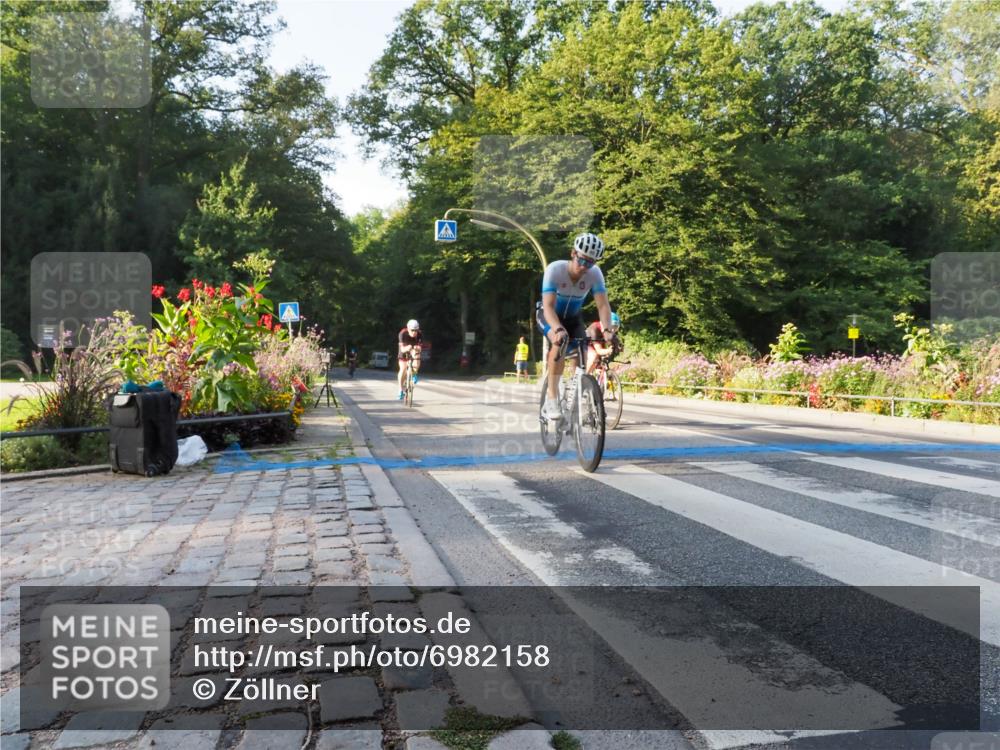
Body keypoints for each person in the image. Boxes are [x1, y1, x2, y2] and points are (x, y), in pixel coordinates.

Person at [537, 233, 616, 420]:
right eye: (582, 260)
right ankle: (552, 399)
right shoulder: (555, 270)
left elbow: (603, 306)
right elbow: (548, 306)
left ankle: (576, 400)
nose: (584, 267)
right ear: (573, 253)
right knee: (560, 343)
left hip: (573, 318)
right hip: (549, 315)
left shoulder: (595, 274)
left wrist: (607, 331)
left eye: (590, 263)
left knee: (580, 355)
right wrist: (556, 329)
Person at [397, 319, 422, 399]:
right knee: (403, 369)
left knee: (417, 355)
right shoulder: (402, 333)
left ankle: (414, 373)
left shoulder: (419, 334)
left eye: (416, 330)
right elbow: (402, 349)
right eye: (412, 330)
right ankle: (401, 390)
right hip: (404, 349)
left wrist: (417, 348)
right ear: (408, 328)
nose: (414, 332)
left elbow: (420, 348)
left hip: (413, 349)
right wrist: (408, 348)